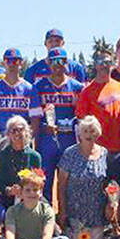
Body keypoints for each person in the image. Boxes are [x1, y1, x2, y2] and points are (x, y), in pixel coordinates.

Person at [30, 47, 83, 203]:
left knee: (69, 182)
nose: (58, 65)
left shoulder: (77, 87)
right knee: (44, 180)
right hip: (47, 139)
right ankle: (46, 214)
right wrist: (41, 131)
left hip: (69, 139)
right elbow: (35, 117)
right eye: (53, 61)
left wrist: (73, 123)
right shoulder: (39, 87)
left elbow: (81, 115)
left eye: (61, 61)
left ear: (67, 63)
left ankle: (67, 214)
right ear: (48, 63)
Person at [55, 115, 111, 239]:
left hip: (96, 214)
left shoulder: (104, 153)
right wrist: (62, 211)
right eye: (85, 131)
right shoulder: (70, 153)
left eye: (92, 131)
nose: (89, 135)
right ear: (80, 134)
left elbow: (109, 183)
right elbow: (61, 185)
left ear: (97, 133)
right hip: (74, 214)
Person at [0, 169, 71, 239]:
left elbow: (47, 234)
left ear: (40, 193)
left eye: (35, 190)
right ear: (21, 193)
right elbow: (10, 232)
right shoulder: (12, 211)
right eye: (27, 190)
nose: (32, 193)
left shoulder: (47, 210)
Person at [76, 49, 120, 154]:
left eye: (107, 62)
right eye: (100, 61)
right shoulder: (87, 92)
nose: (104, 65)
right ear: (95, 65)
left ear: (112, 64)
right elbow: (81, 122)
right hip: (98, 149)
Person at [0, 116, 41, 211]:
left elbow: (38, 183)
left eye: (20, 130)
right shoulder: (2, 155)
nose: (17, 133)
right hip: (7, 199)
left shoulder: (35, 156)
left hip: (29, 198)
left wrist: (24, 191)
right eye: (13, 130)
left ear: (27, 132)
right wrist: (10, 190)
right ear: (8, 134)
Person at [0, 48, 34, 133]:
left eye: (15, 61)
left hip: (22, 137)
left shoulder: (29, 89)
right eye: (8, 60)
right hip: (1, 136)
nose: (11, 64)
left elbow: (34, 119)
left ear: (21, 63)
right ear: (3, 63)